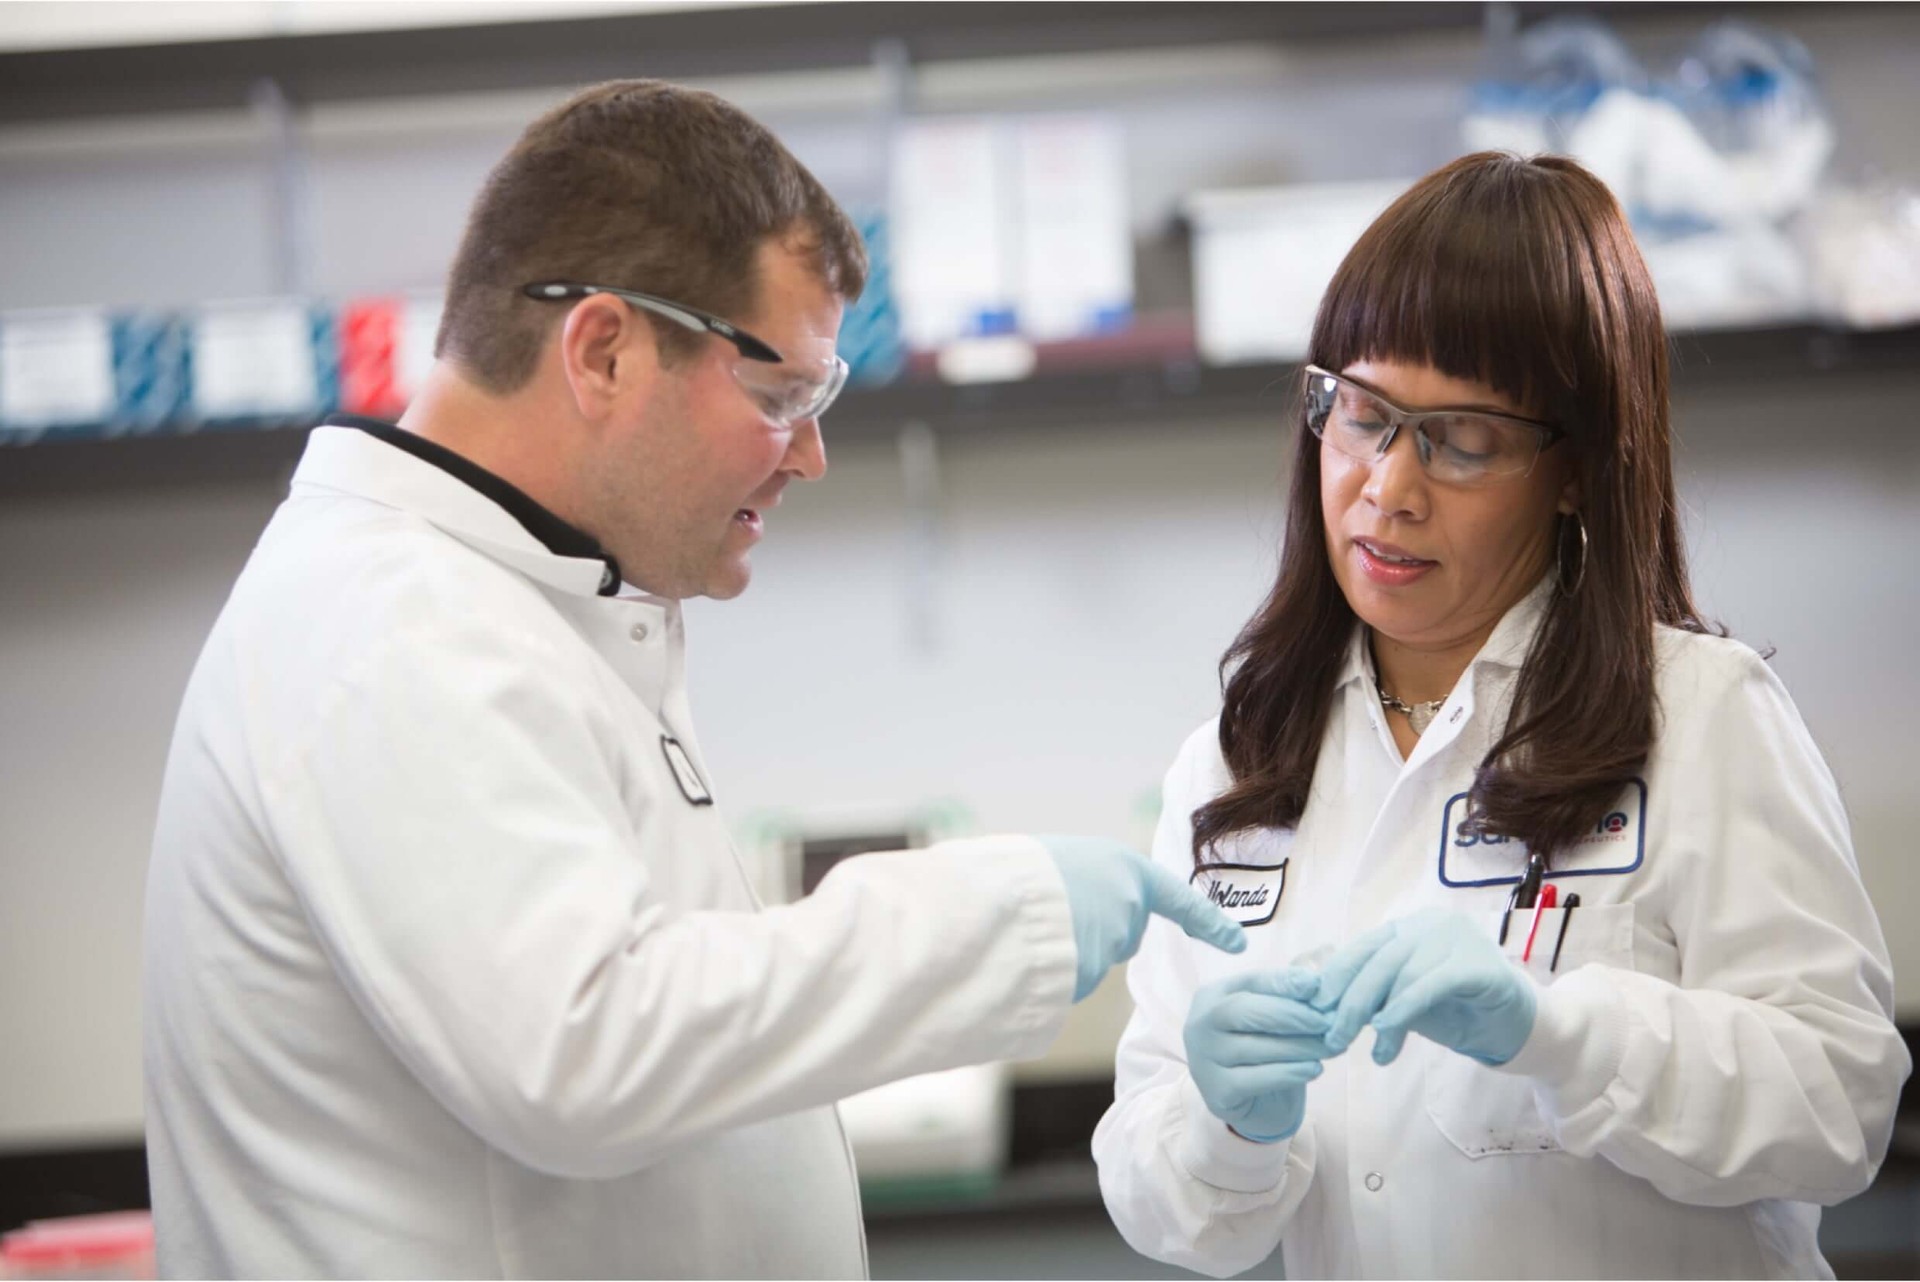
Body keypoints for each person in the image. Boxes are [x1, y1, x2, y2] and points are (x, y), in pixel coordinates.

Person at [142, 80, 1246, 1279]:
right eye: (780, 398)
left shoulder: (530, 604)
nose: (809, 457)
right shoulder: (394, 627)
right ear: (604, 349)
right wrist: (996, 917)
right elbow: (585, 1051)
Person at [1093, 151, 1910, 1279]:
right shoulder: (1234, 765)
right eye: (1364, 414)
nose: (1389, 487)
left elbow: (1839, 1103)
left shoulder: (1701, 716)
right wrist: (1226, 1123)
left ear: (1574, 469)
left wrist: (1554, 1030)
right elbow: (1173, 1212)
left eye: (1463, 439)